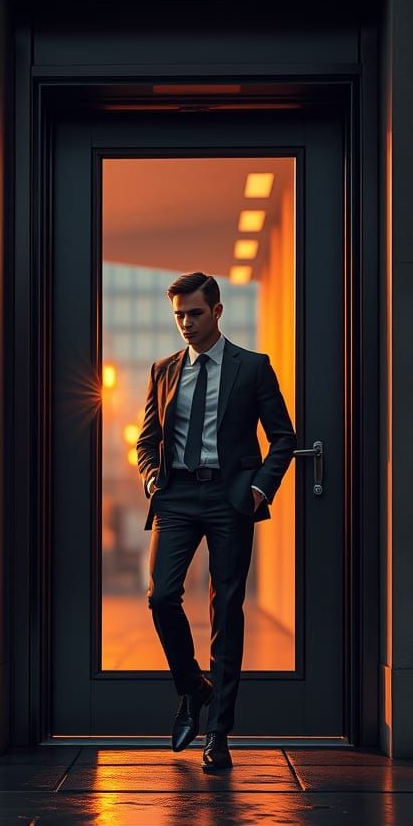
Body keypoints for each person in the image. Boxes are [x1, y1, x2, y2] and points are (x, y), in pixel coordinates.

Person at [136, 272, 296, 771]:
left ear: (218, 311)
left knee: (226, 610)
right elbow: (146, 441)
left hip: (230, 498)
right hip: (177, 496)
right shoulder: (163, 371)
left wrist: (257, 488)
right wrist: (150, 479)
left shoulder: (253, 368)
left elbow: (283, 438)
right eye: (179, 315)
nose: (186, 323)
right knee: (161, 597)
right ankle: (192, 686)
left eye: (195, 313)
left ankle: (219, 735)